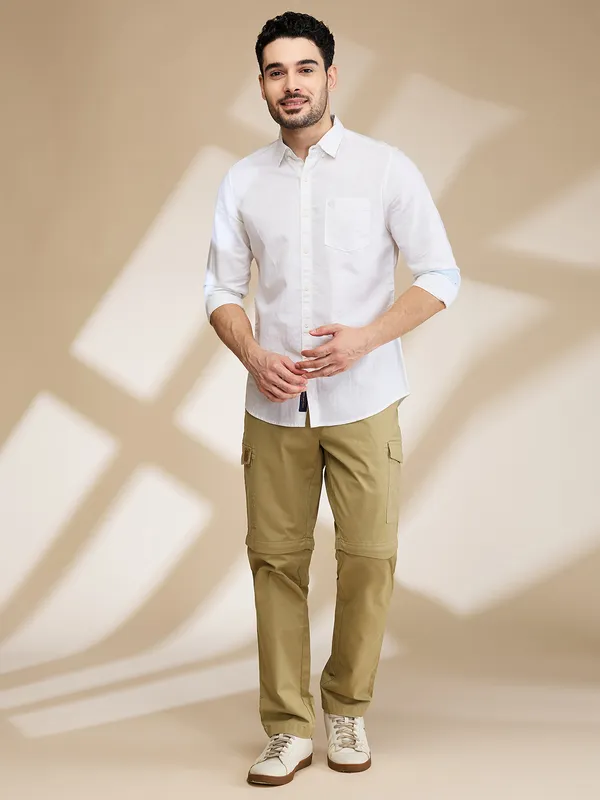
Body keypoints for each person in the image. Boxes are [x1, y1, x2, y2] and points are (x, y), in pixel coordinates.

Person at [204, 10, 460, 787]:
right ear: (262, 85)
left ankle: (346, 708)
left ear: (331, 77)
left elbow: (441, 274)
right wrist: (253, 354)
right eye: (276, 71)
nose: (292, 84)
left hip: (365, 400)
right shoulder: (243, 180)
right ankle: (286, 728)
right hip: (273, 409)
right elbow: (220, 290)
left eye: (305, 68)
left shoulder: (386, 169)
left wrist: (367, 338)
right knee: (276, 564)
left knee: (371, 559)